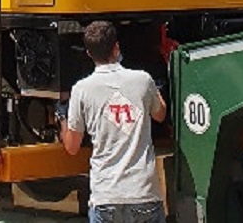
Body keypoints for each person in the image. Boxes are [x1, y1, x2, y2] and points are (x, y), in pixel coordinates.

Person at [59, 20, 168, 223]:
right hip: (143, 193)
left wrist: (63, 117)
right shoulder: (142, 80)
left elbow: (72, 147)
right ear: (116, 47)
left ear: (89, 54)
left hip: (105, 197)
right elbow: (160, 114)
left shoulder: (81, 90)